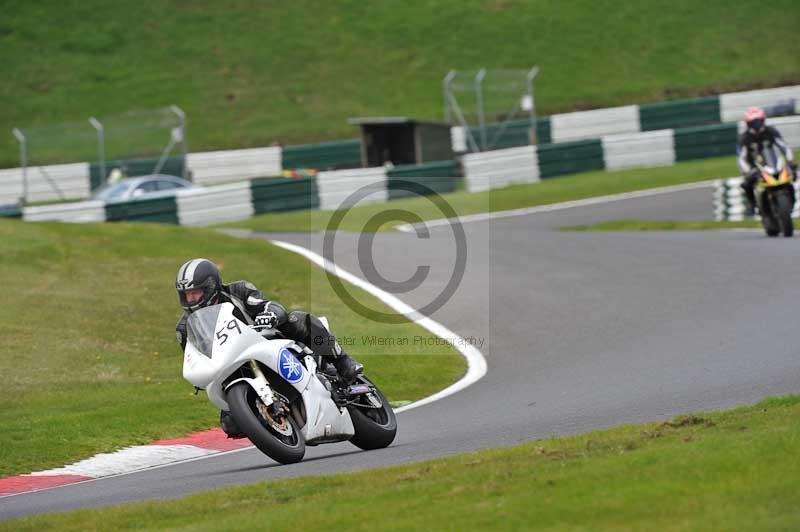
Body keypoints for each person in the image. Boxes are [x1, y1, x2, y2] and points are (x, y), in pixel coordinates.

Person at [174, 258, 363, 438]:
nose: (191, 299)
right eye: (187, 295)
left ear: (210, 287)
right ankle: (269, 418)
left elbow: (270, 305)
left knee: (298, 320)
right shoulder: (185, 328)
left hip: (267, 341)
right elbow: (196, 356)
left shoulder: (238, 290)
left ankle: (343, 362)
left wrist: (270, 314)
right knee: (231, 423)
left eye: (195, 293)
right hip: (232, 367)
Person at [737, 107, 797, 215]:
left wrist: (790, 161)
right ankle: (752, 205)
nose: (757, 125)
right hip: (755, 167)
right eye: (753, 123)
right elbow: (741, 157)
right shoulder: (745, 138)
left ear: (763, 120)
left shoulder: (770, 131)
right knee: (747, 184)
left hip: (772, 164)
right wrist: (747, 171)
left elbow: (784, 146)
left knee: (792, 174)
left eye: (759, 121)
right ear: (748, 124)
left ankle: (791, 199)